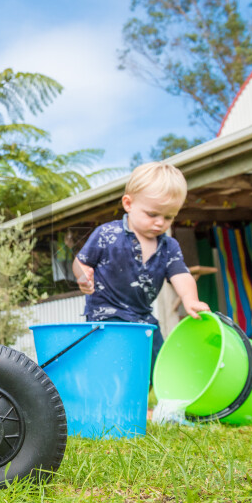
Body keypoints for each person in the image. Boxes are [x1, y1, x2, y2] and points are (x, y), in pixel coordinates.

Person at [72, 161, 210, 385]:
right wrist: (83, 275)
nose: (160, 223)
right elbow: (81, 261)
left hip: (143, 316)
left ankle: (144, 404)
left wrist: (190, 299)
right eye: (152, 214)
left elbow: (181, 275)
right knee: (116, 365)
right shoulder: (107, 234)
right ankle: (114, 405)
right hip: (107, 314)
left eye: (169, 217)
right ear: (128, 203)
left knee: (159, 362)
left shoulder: (169, 246)